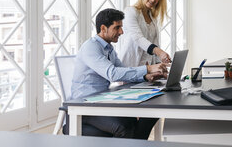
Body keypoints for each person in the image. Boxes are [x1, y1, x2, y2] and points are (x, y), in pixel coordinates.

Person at [69, 8, 168, 139]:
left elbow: (123, 71)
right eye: (117, 28)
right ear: (103, 28)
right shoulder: (91, 47)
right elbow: (113, 74)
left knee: (148, 116)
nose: (121, 32)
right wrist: (148, 69)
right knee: (124, 128)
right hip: (85, 105)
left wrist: (146, 77)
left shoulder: (109, 49)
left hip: (100, 100)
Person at [118, 0, 172, 67]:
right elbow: (138, 38)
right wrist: (160, 52)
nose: (153, 0)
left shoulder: (152, 17)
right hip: (130, 66)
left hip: (146, 68)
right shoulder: (130, 12)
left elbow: (155, 42)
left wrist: (160, 64)